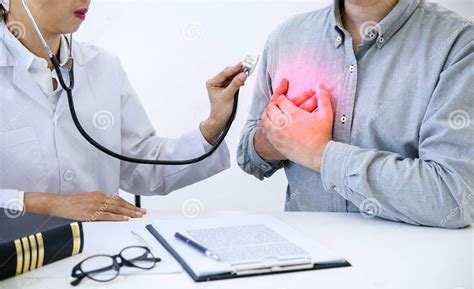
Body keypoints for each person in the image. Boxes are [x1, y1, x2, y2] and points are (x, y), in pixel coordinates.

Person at [0, 0, 248, 221]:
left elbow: (140, 164)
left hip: (101, 255)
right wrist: (46, 204)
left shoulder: (103, 66)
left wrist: (213, 124)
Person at [238, 0, 473, 228]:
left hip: (405, 263)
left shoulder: (459, 44)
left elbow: (454, 197)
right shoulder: (286, 38)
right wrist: (272, 140)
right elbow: (249, 159)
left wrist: (319, 154)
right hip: (302, 260)